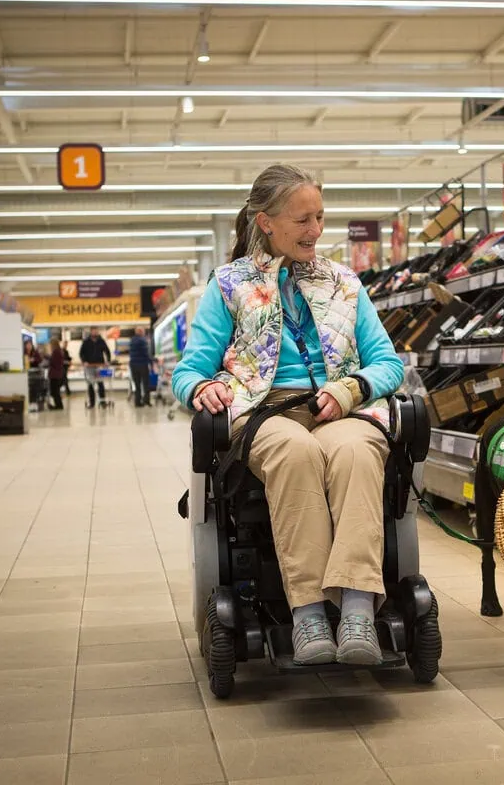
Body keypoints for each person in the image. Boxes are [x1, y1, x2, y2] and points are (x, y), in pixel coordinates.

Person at [172, 163, 404, 666]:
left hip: (339, 407)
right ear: (265, 222)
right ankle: (310, 615)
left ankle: (359, 610)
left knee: (360, 452)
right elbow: (187, 372)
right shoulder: (229, 284)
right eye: (302, 220)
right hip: (261, 412)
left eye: (320, 217)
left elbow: (389, 363)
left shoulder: (345, 283)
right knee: (294, 452)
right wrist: (203, 389)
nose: (315, 231)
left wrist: (352, 388)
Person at [78, 327, 112, 408]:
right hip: (89, 366)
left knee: (100, 383)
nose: (95, 333)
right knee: (90, 384)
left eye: (97, 331)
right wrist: (84, 361)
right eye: (94, 331)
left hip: (100, 365)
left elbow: (107, 351)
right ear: (91, 332)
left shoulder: (101, 341)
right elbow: (81, 353)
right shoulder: (86, 342)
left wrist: (108, 360)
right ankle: (92, 403)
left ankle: (103, 402)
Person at [128, 326, 152, 407]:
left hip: (133, 365)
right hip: (142, 364)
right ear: (141, 332)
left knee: (137, 384)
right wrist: (151, 361)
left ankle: (137, 402)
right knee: (146, 384)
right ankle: (146, 401)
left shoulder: (132, 340)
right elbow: (146, 353)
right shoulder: (142, 340)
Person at [47, 338, 66, 410]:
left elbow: (55, 363)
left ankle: (58, 406)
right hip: (58, 374)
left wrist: (49, 360)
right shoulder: (59, 351)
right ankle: (58, 405)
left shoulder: (56, 352)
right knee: (55, 391)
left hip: (55, 375)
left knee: (55, 391)